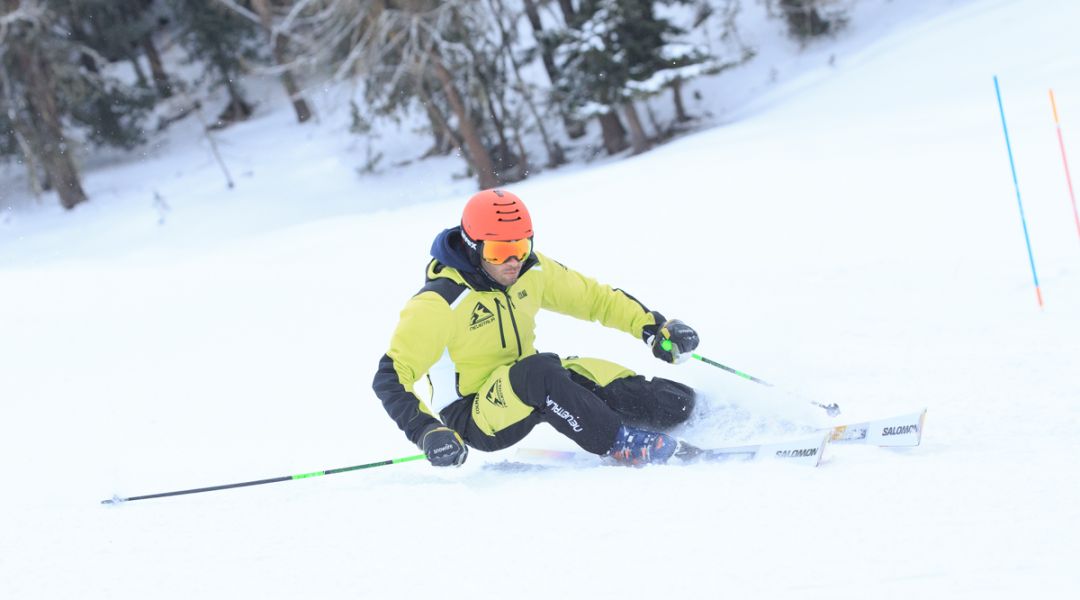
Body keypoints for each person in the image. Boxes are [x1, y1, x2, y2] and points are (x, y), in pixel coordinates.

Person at [372, 189, 700, 467]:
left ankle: (686, 409)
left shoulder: (532, 270)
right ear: (473, 248)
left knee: (663, 401)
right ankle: (620, 442)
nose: (513, 262)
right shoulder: (439, 303)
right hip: (473, 413)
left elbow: (595, 300)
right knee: (542, 371)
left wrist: (653, 327)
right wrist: (427, 431)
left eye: (520, 248)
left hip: (527, 385)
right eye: (499, 252)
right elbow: (390, 377)